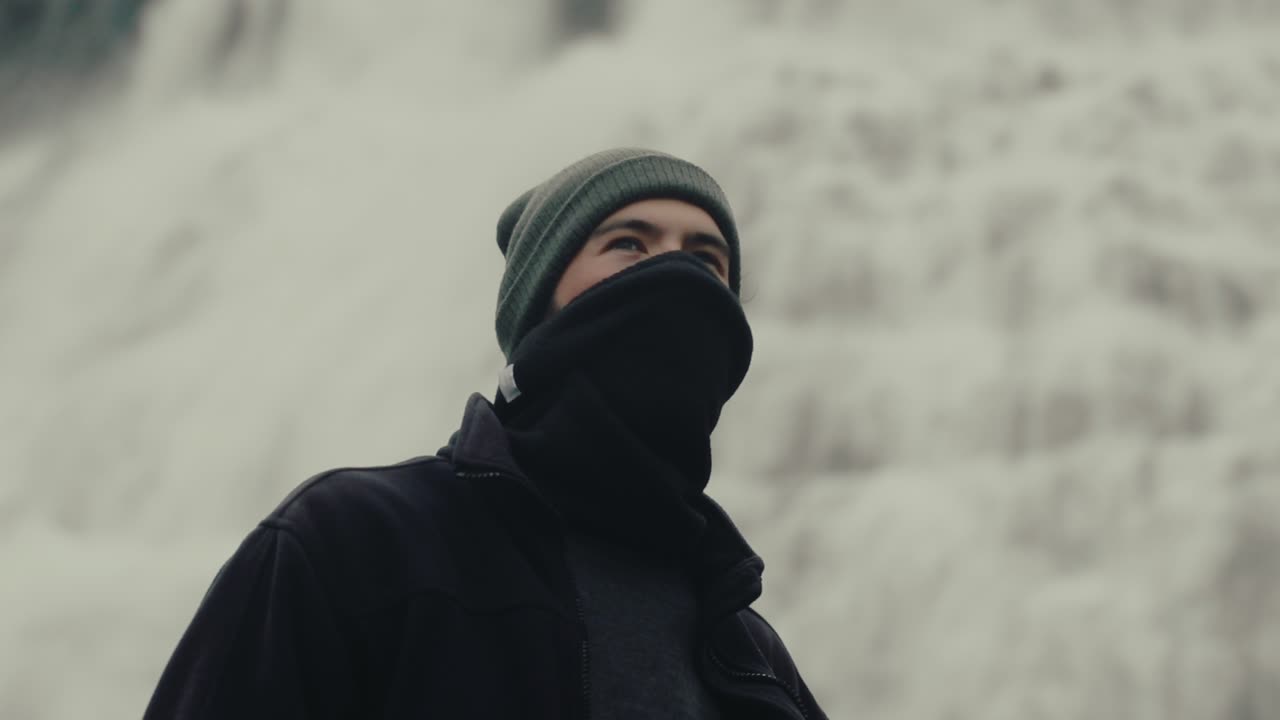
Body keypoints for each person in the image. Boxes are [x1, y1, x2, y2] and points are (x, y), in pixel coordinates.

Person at [144, 147, 827, 719]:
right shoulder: (352, 544)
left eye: (705, 261)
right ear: (539, 305)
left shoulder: (750, 655)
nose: (672, 272)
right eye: (628, 243)